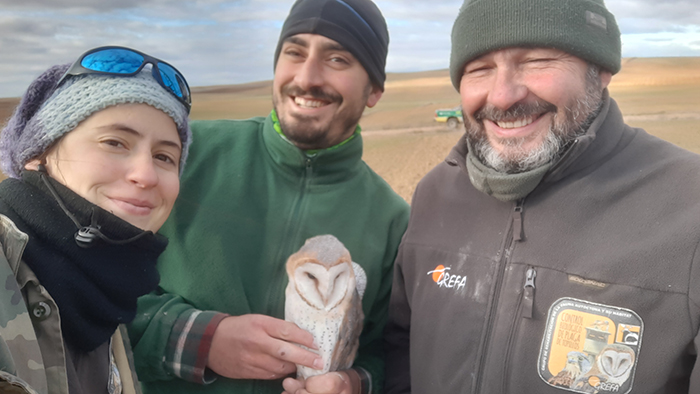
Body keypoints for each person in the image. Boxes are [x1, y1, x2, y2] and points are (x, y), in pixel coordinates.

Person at [384, 0, 700, 393]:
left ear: (600, 70)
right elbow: (399, 352)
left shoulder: (690, 208)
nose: (502, 97)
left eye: (537, 60)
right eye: (479, 69)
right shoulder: (435, 196)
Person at [128, 1, 409, 394]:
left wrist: (355, 383)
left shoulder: (392, 219)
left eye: (338, 59)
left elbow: (389, 353)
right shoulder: (183, 157)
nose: (308, 77)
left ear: (375, 90)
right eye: (294, 52)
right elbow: (90, 288)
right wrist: (200, 341)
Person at [0, 46, 192, 394]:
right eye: (115, 142)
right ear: (37, 154)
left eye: (165, 156)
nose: (146, 175)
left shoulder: (104, 288)